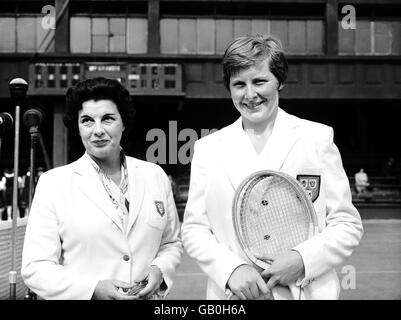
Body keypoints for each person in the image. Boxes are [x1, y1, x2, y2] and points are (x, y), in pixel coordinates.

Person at [181, 35, 363, 300]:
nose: (250, 94)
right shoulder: (208, 149)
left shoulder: (316, 138)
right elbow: (194, 229)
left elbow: (347, 223)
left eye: (259, 81)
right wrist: (231, 270)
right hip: (234, 297)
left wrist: (302, 259)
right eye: (239, 84)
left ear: (280, 82)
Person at [21, 77, 182, 300]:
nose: (97, 130)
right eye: (87, 120)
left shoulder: (154, 175)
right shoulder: (54, 183)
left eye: (108, 119)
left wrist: (159, 270)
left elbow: (171, 243)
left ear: (123, 123)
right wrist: (92, 289)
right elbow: (35, 267)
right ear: (77, 127)